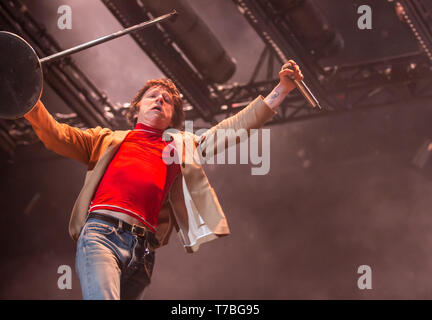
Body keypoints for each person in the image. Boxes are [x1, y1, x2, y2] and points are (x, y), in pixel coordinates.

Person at [23, 60, 304, 299]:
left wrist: (282, 90)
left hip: (143, 254)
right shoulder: (104, 140)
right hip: (102, 236)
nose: (160, 99)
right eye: (153, 96)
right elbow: (56, 134)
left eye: (167, 100)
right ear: (135, 110)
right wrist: (26, 97)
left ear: (172, 118)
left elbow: (231, 130)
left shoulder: (180, 147)